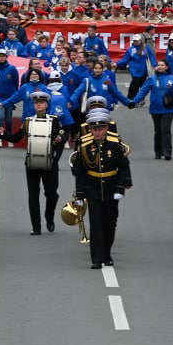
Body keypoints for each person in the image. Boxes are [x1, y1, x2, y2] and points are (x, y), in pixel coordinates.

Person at [71, 108, 130, 269]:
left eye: (100, 128)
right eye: (94, 129)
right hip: (93, 187)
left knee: (110, 223)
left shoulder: (115, 142)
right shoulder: (84, 144)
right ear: (90, 129)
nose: (97, 132)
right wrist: (80, 194)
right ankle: (96, 258)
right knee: (96, 224)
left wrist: (120, 188)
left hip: (111, 187)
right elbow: (80, 170)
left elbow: (123, 166)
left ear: (106, 128)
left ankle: (107, 254)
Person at [3, 91, 66, 235]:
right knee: (33, 195)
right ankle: (36, 227)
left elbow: (64, 134)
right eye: (36, 103)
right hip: (32, 162)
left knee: (52, 194)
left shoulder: (54, 120)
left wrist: (59, 140)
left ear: (47, 105)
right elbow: (15, 138)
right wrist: (2, 134)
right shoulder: (28, 121)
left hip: (49, 162)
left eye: (42, 102)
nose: (39, 104)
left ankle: (49, 216)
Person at [133, 59, 173, 161]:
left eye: (162, 65)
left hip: (168, 109)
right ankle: (158, 151)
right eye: (158, 65)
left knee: (165, 129)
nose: (160, 66)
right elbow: (143, 91)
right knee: (157, 130)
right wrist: (134, 101)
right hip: (155, 109)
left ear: (167, 67)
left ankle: (167, 152)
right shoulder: (152, 79)